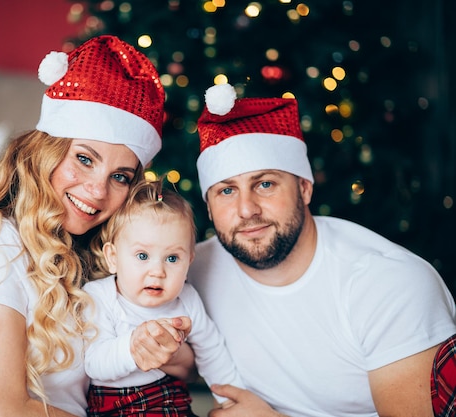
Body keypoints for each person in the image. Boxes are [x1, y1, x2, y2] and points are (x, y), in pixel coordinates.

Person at [0, 35, 193, 417]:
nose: (97, 190)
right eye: (85, 159)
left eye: (120, 177)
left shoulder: (95, 251)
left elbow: (181, 364)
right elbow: (0, 410)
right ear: (47, 151)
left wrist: (160, 349)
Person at [186, 83, 456, 416]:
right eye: (226, 191)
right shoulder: (188, 271)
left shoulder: (389, 283)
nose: (246, 209)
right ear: (209, 208)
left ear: (304, 187)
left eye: (265, 184)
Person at [82, 180, 243, 416]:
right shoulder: (100, 296)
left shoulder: (186, 299)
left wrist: (231, 399)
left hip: (169, 398)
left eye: (172, 258)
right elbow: (93, 363)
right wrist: (133, 348)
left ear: (189, 261)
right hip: (115, 404)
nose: (157, 271)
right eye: (142, 255)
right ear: (113, 257)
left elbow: (212, 351)